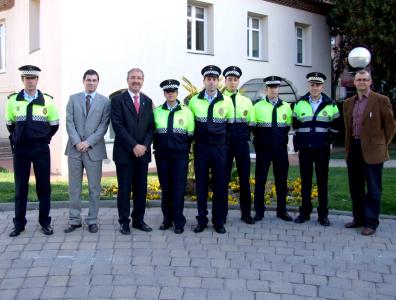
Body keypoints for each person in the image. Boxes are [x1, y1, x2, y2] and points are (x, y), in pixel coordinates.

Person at [5, 65, 59, 237]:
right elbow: (10, 124)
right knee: (21, 187)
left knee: (44, 186)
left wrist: (43, 139)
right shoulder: (13, 100)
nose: (30, 81)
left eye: (33, 78)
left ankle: (45, 222)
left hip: (41, 149)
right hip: (21, 150)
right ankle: (19, 224)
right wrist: (19, 138)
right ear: (23, 80)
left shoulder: (48, 100)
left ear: (37, 80)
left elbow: (54, 125)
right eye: (27, 78)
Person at [343, 69, 396, 236]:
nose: (362, 82)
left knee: (373, 189)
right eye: (359, 79)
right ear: (354, 82)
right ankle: (358, 218)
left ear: (370, 82)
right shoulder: (348, 103)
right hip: (354, 149)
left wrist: (381, 144)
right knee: (356, 187)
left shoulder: (381, 100)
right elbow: (348, 128)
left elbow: (390, 127)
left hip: (373, 150)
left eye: (365, 79)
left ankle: (371, 223)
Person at [188, 65, 234, 234]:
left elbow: (230, 127)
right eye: (208, 79)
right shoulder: (194, 101)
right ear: (204, 81)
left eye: (214, 79)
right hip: (201, 148)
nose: (211, 82)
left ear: (218, 81)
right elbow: (191, 125)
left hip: (219, 149)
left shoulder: (226, 101)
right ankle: (201, 220)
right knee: (201, 186)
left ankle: (218, 221)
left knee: (220, 185)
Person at [64, 69, 110, 234]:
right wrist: (77, 142)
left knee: (94, 188)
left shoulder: (105, 102)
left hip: (94, 150)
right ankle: (74, 220)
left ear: (98, 82)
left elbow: (103, 126)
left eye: (94, 80)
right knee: (74, 187)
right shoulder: (73, 99)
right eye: (88, 80)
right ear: (83, 81)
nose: (91, 82)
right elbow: (69, 122)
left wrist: (88, 142)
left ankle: (92, 220)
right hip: (75, 150)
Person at [293, 72, 340, 226]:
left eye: (317, 85)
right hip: (305, 149)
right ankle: (305, 212)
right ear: (309, 85)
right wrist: (299, 143)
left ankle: (323, 215)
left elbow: (337, 126)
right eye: (312, 85)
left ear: (322, 86)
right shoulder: (300, 103)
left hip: (322, 149)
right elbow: (295, 125)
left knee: (322, 181)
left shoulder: (330, 104)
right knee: (305, 181)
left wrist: (328, 140)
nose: (314, 88)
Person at [111, 68, 154, 235]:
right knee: (124, 189)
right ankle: (124, 222)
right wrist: (133, 146)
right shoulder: (117, 100)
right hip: (124, 153)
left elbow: (151, 127)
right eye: (133, 78)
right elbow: (118, 126)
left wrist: (144, 146)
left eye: (139, 78)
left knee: (141, 189)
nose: (136, 81)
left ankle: (138, 220)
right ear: (127, 80)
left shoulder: (147, 101)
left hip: (143, 153)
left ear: (143, 80)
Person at [153, 79, 194, 234]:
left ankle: (178, 221)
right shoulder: (157, 112)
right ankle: (167, 220)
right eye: (167, 91)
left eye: (173, 91)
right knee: (166, 189)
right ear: (164, 93)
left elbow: (190, 135)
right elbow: (153, 134)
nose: (170, 94)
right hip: (162, 156)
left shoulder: (187, 112)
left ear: (177, 93)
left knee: (178, 189)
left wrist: (181, 149)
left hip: (180, 156)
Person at [253, 76, 293, 222]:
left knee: (281, 181)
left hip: (280, 149)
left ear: (279, 89)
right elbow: (253, 128)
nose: (273, 90)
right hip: (263, 150)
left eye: (276, 87)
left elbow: (287, 126)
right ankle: (259, 211)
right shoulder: (257, 107)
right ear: (266, 89)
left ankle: (282, 211)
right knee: (260, 180)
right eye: (270, 87)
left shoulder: (287, 107)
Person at [222, 66, 255, 224]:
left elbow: (251, 124)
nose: (233, 83)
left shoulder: (246, 101)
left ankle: (246, 213)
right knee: (223, 179)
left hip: (242, 144)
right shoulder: (219, 99)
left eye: (235, 80)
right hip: (225, 146)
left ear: (238, 81)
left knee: (244, 179)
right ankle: (222, 213)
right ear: (226, 81)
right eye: (230, 79)